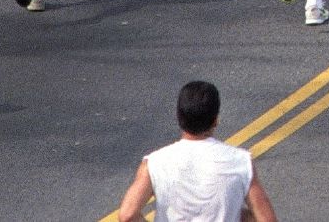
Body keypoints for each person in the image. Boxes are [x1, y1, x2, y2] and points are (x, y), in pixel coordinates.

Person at [117, 81, 279, 222]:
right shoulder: (240, 162)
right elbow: (266, 219)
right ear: (215, 120)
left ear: (179, 117)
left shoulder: (153, 163)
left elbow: (127, 215)